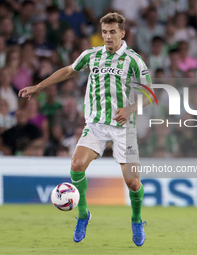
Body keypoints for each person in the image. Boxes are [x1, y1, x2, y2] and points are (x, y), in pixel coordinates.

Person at [19, 12, 153, 246]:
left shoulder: (133, 60)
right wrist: (38, 87)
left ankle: (137, 218)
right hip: (96, 124)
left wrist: (130, 109)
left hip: (124, 127)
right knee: (76, 165)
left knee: (132, 183)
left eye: (112, 32)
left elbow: (150, 93)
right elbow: (69, 70)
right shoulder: (91, 55)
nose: (108, 36)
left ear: (122, 33)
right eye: (104, 32)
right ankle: (83, 215)